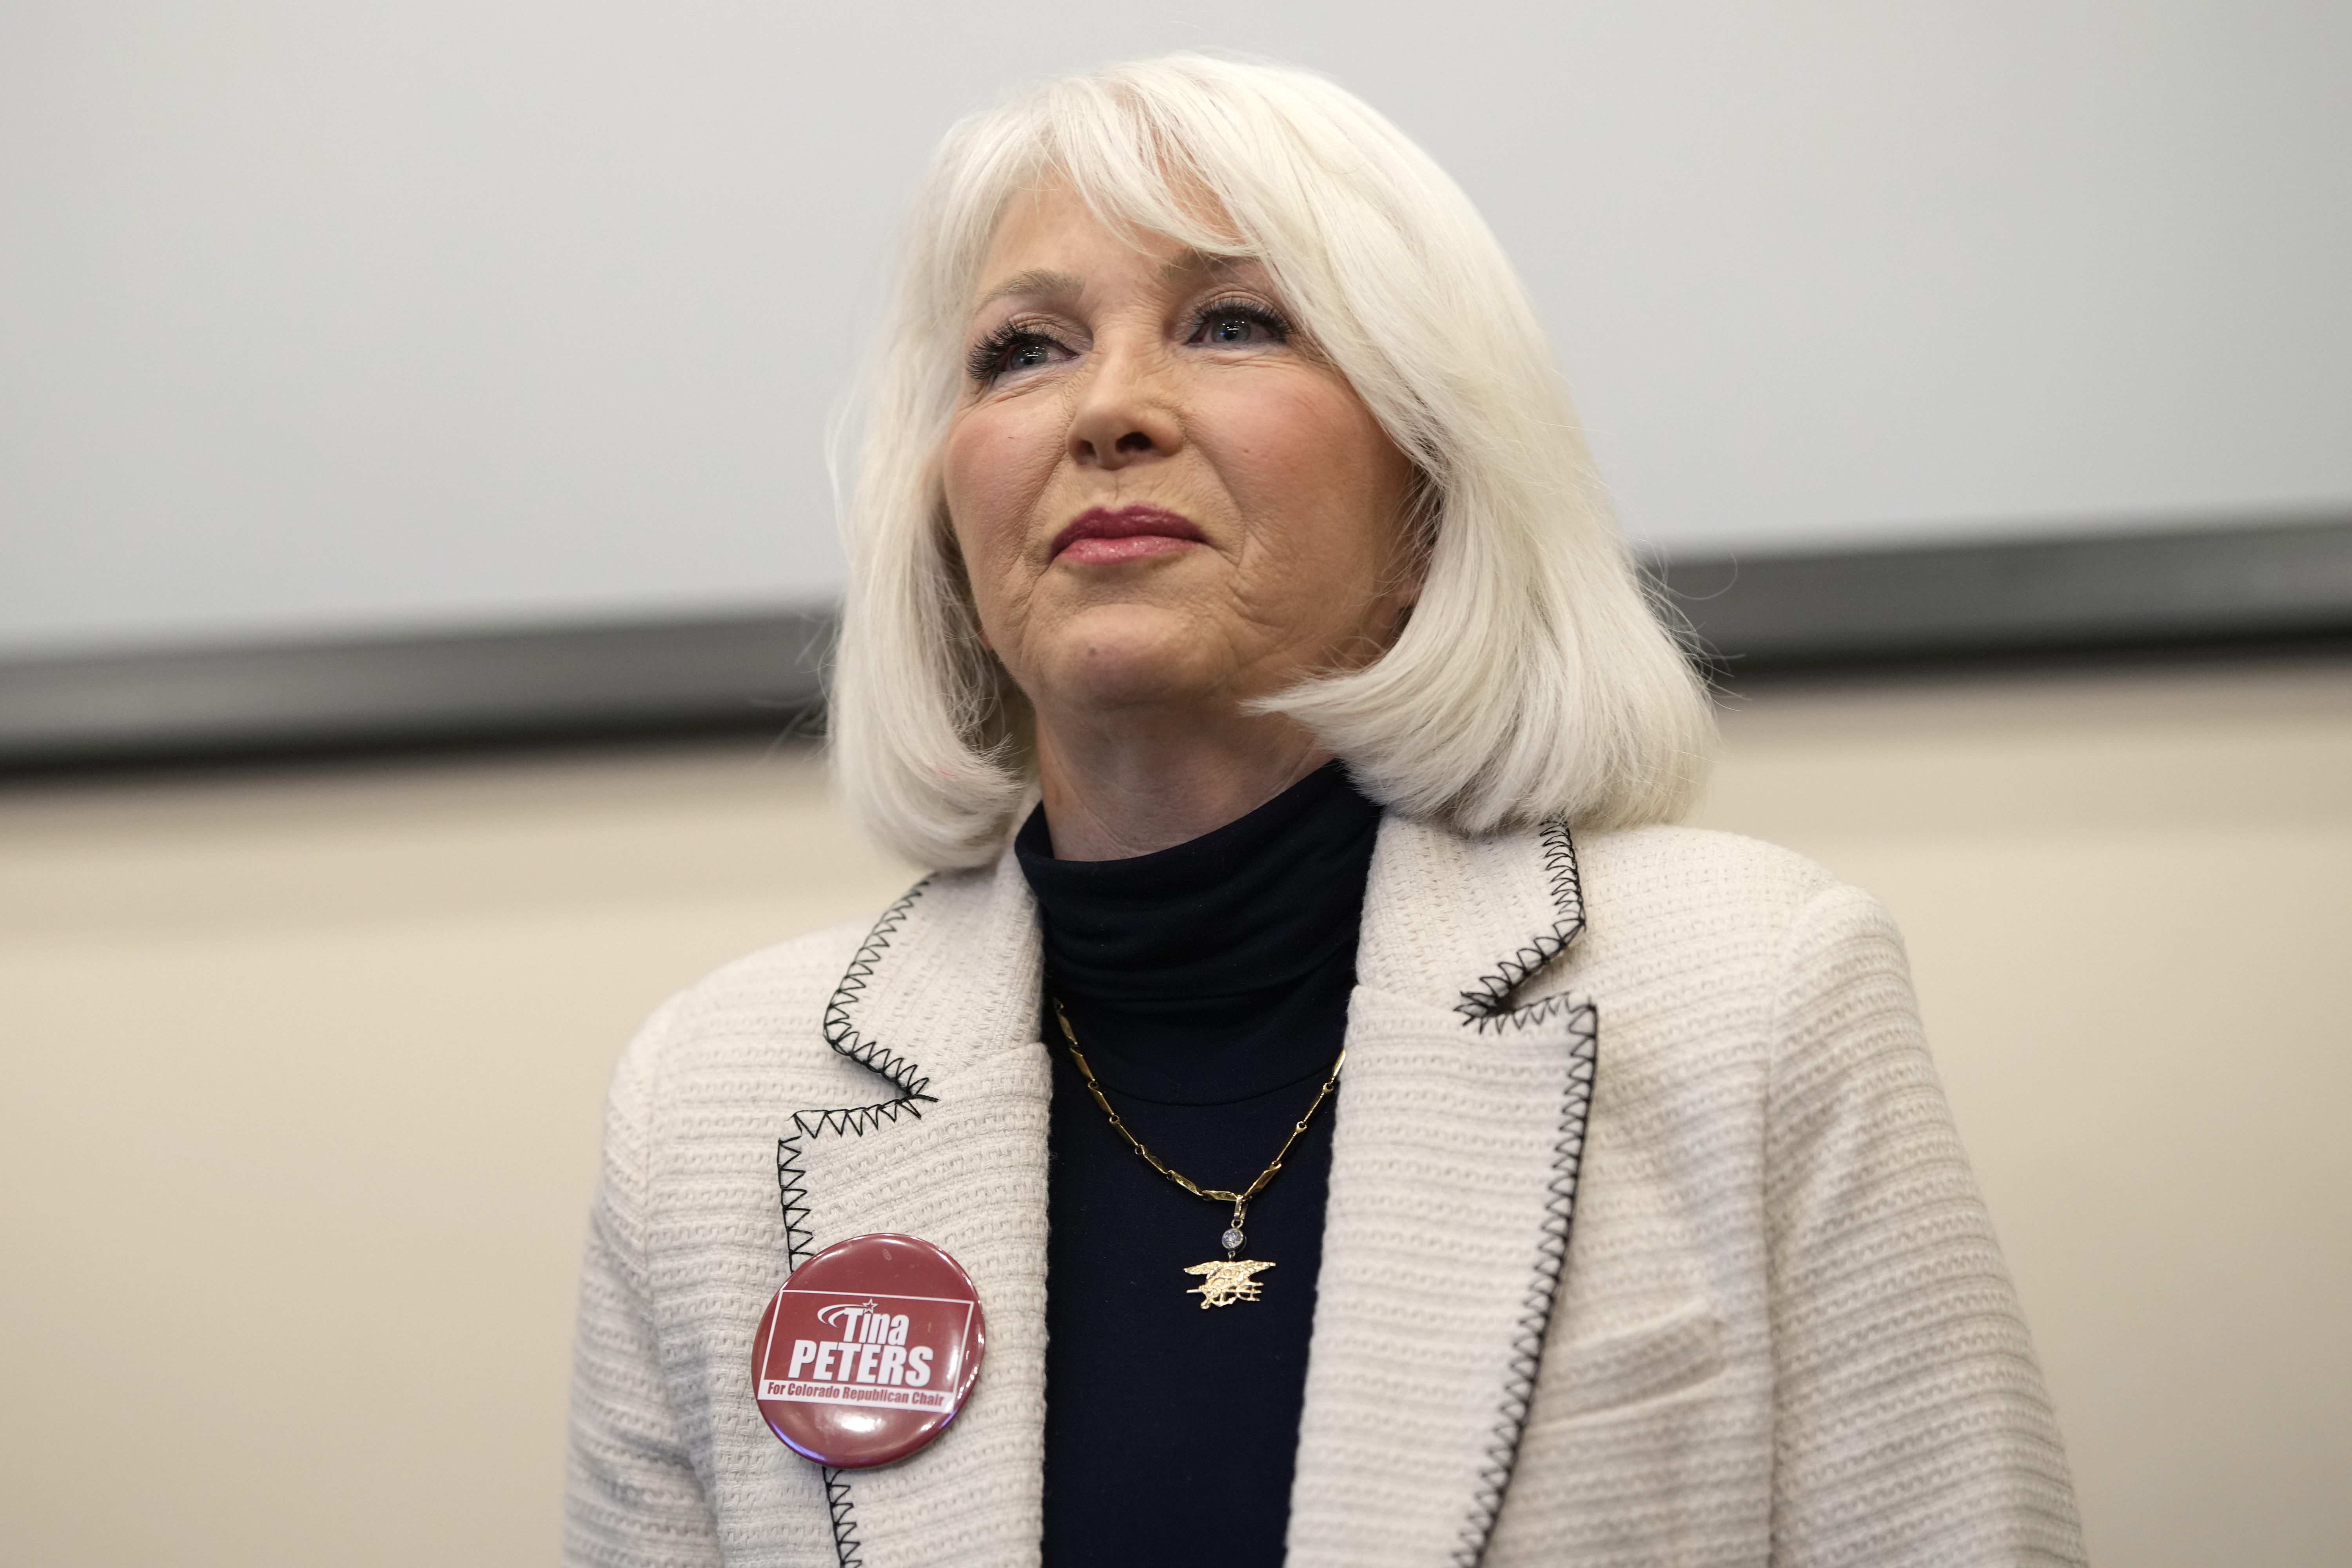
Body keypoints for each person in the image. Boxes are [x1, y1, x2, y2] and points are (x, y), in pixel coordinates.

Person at [564, 53, 2084, 1568]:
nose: (1108, 409)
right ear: (946, 514)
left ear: (1430, 492)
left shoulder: (1760, 996)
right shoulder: (708, 1108)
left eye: (1233, 323)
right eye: (1023, 350)